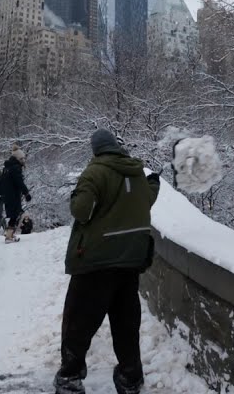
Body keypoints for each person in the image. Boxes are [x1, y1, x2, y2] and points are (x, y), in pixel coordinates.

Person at [54, 130, 160, 394]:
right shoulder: (136, 172)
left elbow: (82, 210)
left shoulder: (95, 173)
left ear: (96, 150)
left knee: (79, 323)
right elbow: (146, 199)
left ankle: (70, 377)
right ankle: (130, 378)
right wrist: (154, 183)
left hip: (96, 261)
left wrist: (77, 195)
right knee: (126, 323)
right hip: (130, 260)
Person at [0, 145, 32, 243]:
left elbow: (2, 182)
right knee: (15, 215)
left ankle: (9, 233)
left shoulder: (6, 168)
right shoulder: (15, 168)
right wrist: (26, 193)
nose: (23, 160)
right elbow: (19, 182)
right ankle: (9, 236)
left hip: (7, 196)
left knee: (13, 214)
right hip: (13, 195)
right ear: (18, 158)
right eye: (22, 158)